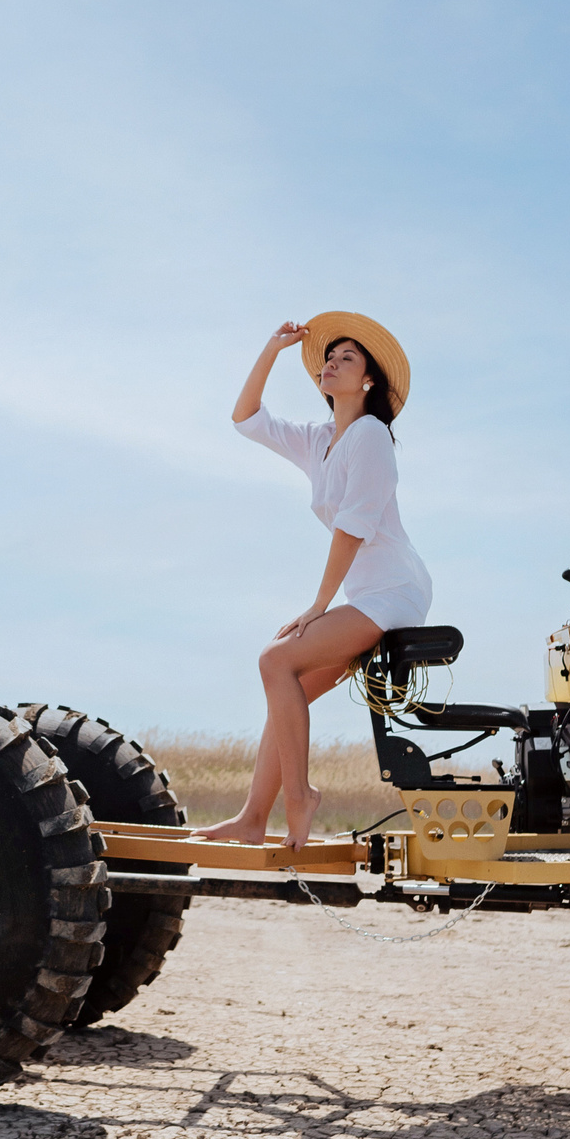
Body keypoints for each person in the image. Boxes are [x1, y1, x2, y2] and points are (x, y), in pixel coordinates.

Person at [198, 312, 431, 850]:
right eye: (330, 355)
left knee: (275, 659)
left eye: (347, 358)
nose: (332, 361)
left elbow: (353, 527)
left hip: (394, 592)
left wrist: (318, 606)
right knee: (291, 682)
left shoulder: (371, 436)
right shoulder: (319, 439)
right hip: (367, 595)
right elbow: (245, 417)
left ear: (368, 381)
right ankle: (253, 818)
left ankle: (299, 796)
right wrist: (272, 349)